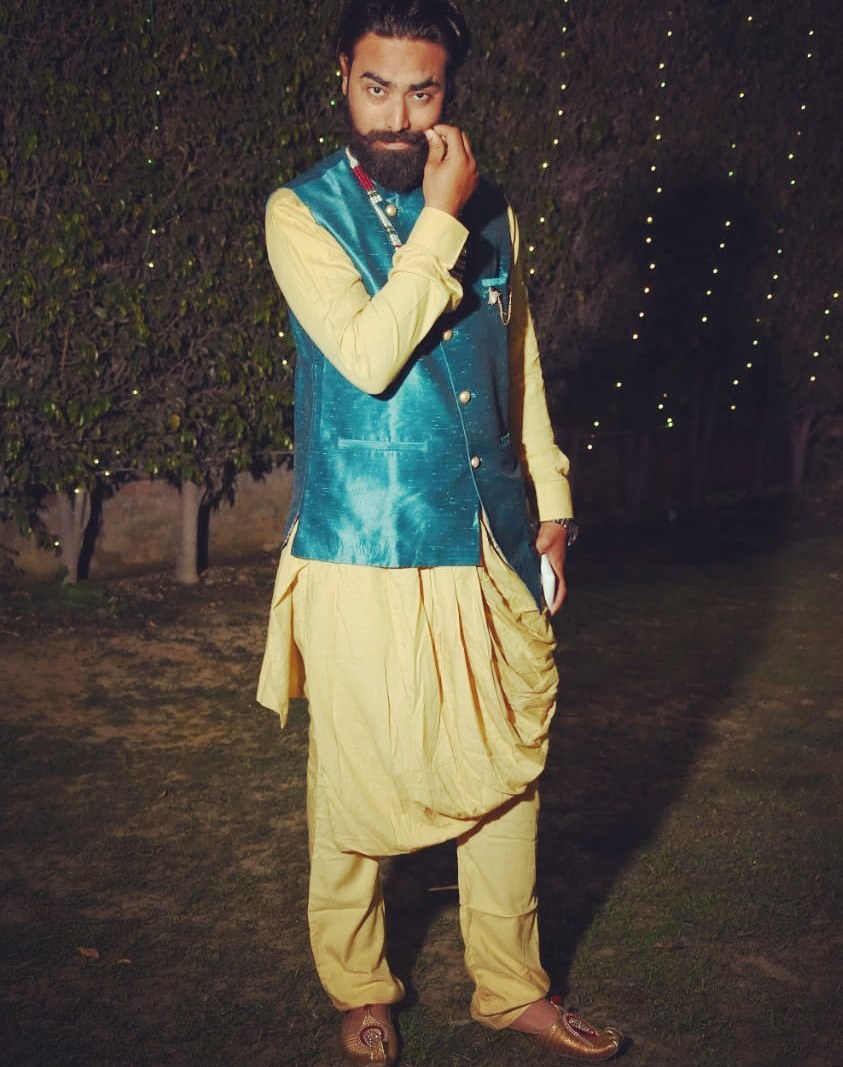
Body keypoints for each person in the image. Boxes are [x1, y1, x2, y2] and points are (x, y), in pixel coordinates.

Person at [257, 2, 624, 1062]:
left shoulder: (493, 209)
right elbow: (370, 355)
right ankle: (358, 983)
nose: (397, 115)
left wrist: (551, 500)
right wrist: (439, 218)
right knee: (358, 772)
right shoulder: (300, 212)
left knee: (506, 765)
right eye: (376, 87)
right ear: (342, 74)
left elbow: (520, 365)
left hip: (490, 535)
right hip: (361, 545)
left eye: (421, 91)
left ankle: (510, 986)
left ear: (447, 89)